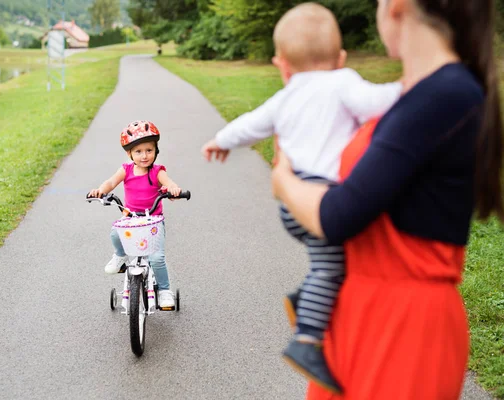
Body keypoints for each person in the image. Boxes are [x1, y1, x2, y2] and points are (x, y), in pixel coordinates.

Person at [271, 0, 504, 398]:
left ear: (397, 5)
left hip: (402, 326)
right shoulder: (415, 95)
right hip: (360, 311)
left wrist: (284, 181)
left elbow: (339, 215)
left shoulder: (445, 94)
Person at [201, 3, 401, 393]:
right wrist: (410, 89)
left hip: (292, 205)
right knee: (332, 269)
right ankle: (307, 339)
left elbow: (251, 124)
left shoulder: (286, 95)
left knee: (329, 266)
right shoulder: (343, 81)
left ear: (283, 65)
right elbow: (376, 103)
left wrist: (220, 141)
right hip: (319, 200)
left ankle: (305, 297)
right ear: (340, 58)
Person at [88, 120, 182, 309]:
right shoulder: (126, 169)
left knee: (156, 258)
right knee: (115, 232)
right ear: (129, 153)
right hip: (130, 218)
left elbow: (169, 183)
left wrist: (172, 189)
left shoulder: (157, 172)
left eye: (149, 150)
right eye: (138, 151)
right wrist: (100, 190)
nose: (144, 155)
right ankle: (120, 255)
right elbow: (111, 182)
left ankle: (164, 291)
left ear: (156, 150)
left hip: (153, 221)